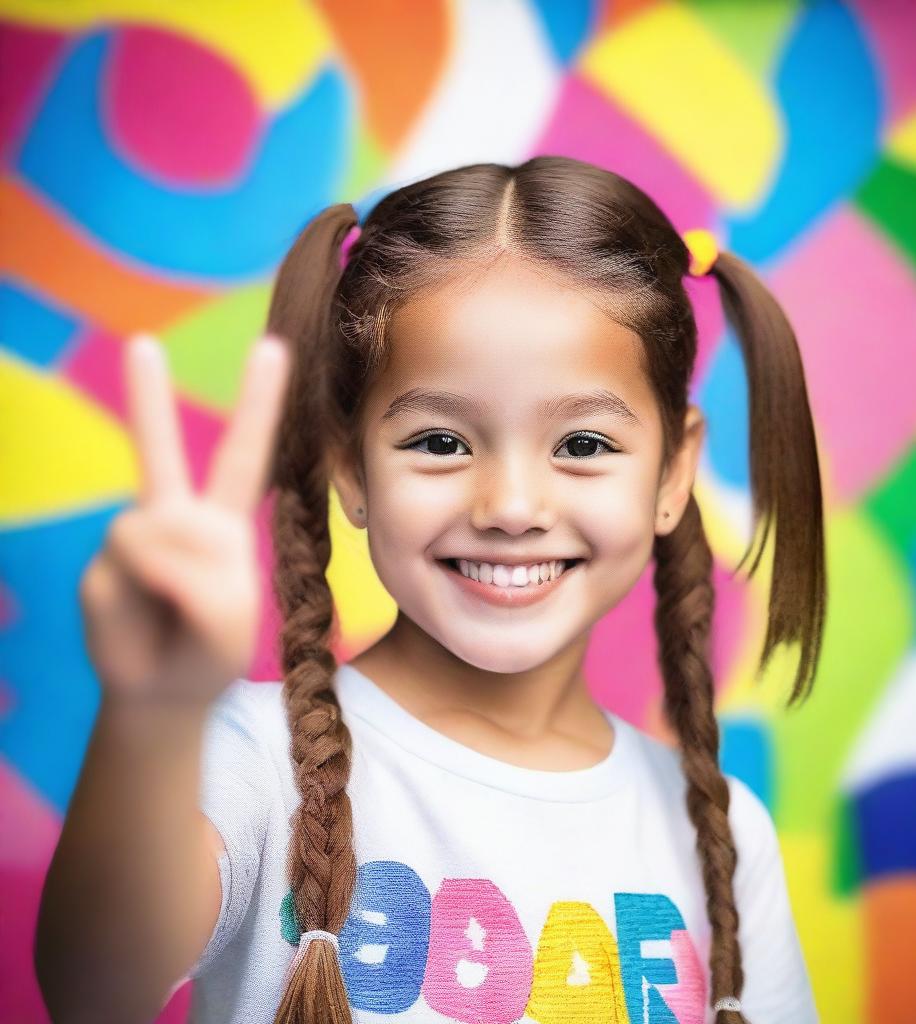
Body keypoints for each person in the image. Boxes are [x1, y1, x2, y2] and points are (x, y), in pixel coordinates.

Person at [36, 156, 825, 1024]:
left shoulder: (723, 834)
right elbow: (92, 988)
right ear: (350, 466)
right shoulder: (252, 760)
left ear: (674, 471)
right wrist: (149, 714)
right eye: (442, 443)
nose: (513, 507)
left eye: (586, 445)